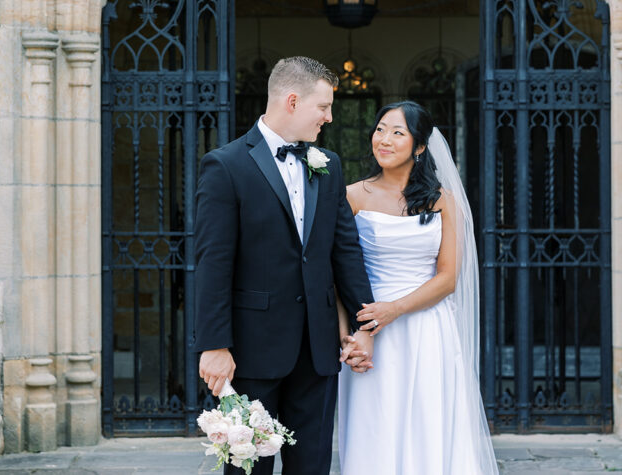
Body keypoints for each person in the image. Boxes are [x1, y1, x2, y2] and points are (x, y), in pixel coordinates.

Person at [193, 56, 375, 475]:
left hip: (317, 350)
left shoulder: (327, 167)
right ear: (292, 101)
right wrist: (214, 345)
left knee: (311, 465)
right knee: (249, 467)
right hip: (251, 351)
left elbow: (344, 251)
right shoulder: (226, 165)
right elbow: (213, 262)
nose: (328, 117)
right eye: (324, 107)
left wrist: (364, 326)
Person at [337, 101, 499, 475]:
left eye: (398, 132)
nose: (385, 139)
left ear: (420, 146)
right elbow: (339, 272)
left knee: (429, 422)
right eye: (380, 129)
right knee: (373, 424)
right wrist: (350, 335)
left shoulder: (443, 201)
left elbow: (447, 278)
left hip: (426, 326)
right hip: (370, 331)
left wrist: (394, 309)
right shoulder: (351, 195)